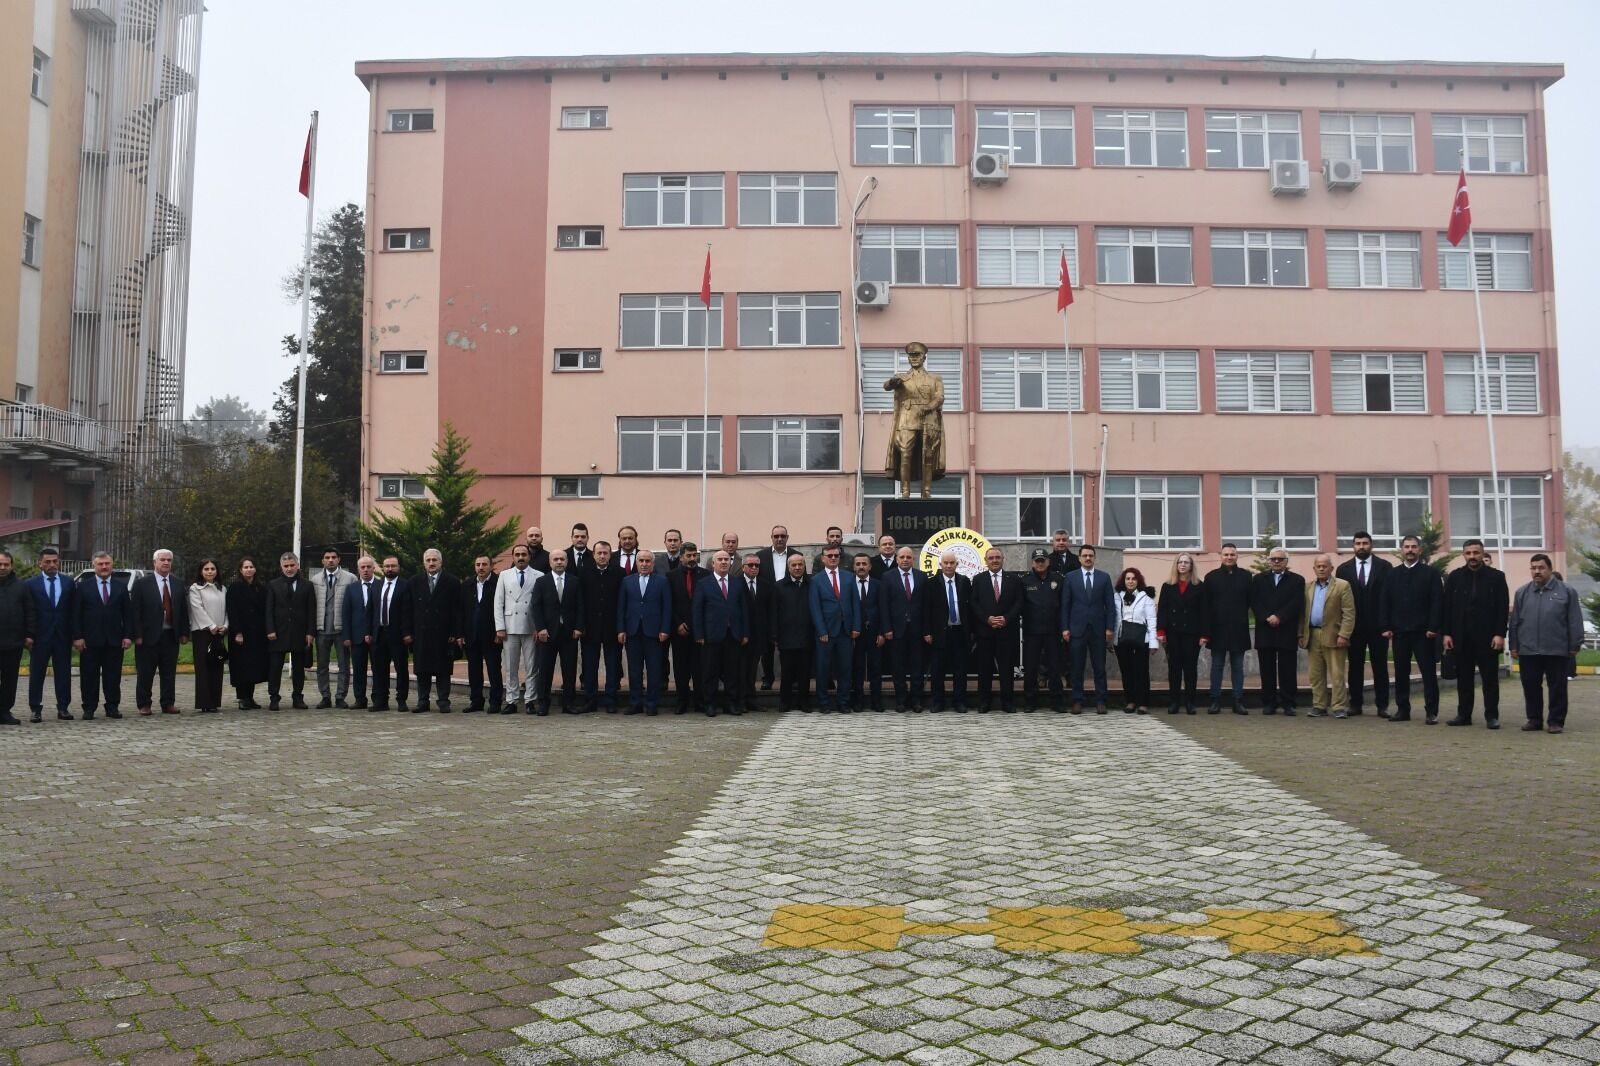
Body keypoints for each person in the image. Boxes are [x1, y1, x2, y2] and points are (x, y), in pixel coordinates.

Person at [1509, 554, 1583, 735]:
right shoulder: (1522, 593)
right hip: (1528, 649)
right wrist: (1514, 645)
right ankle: (1534, 719)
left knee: (1557, 688)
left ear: (1549, 569)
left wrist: (1574, 644)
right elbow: (1515, 621)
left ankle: (1555, 721)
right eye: (1533, 568)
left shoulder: (1567, 591)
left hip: (1556, 648)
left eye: (1541, 568)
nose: (1537, 571)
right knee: (1530, 686)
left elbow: (1574, 619)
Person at [1442, 539, 1509, 729]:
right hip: (1461, 637)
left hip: (1488, 638)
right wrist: (1446, 634)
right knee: (1464, 679)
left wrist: (1500, 634)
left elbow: (1502, 608)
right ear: (1464, 555)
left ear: (1482, 554)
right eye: (1468, 553)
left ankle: (1492, 716)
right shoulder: (1455, 577)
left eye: (1476, 553)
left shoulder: (1496, 577)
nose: (1472, 556)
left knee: (1490, 679)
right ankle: (1464, 715)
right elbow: (1447, 608)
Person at [1380, 535, 1443, 724]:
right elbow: (1385, 601)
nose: (1410, 550)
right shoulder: (1392, 574)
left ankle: (1431, 712)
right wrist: (1385, 626)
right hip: (1399, 632)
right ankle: (1402, 710)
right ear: (1402, 550)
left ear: (1420, 550)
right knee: (1401, 673)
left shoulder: (1431, 574)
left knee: (1428, 673)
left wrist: (1433, 626)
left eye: (1414, 547)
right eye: (1407, 547)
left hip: (1424, 633)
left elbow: (1437, 601)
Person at [1336, 532, 1392, 717]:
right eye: (1358, 543)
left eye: (1365, 543)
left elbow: (1388, 597)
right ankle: (1355, 704)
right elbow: (1339, 600)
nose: (1361, 546)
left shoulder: (1385, 567)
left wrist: (1387, 625)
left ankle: (1382, 705)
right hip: (1354, 626)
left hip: (1378, 626)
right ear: (1353, 546)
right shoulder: (1343, 570)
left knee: (1380, 666)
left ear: (1371, 545)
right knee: (1355, 666)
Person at [71, 551, 132, 720]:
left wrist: (128, 636)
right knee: (89, 676)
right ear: (94, 566)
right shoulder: (83, 587)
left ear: (112, 565)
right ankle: (89, 707)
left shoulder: (121, 587)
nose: (104, 567)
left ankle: (112, 707)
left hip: (114, 640)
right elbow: (76, 614)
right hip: (89, 640)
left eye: (107, 564)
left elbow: (128, 614)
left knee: (113, 676)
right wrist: (77, 636)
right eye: (100, 564)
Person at [131, 548, 190, 715]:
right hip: (148, 637)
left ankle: (168, 703)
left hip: (171, 635)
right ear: (154, 562)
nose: (166, 563)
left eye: (169, 560)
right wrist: (137, 635)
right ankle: (144, 704)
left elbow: (183, 610)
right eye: (162, 560)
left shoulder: (177, 583)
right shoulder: (142, 584)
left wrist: (184, 632)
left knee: (169, 673)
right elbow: (135, 612)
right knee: (145, 673)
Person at [693, 549, 750, 717]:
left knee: (732, 672)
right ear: (713, 563)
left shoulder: (738, 583)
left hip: (733, 635)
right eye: (720, 559)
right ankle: (710, 704)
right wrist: (699, 634)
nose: (724, 562)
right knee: (710, 672)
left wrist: (745, 633)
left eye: (727, 559)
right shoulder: (703, 583)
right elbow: (697, 610)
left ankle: (730, 704)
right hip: (711, 636)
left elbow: (744, 609)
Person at [1299, 554, 1356, 718]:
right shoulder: (1308, 587)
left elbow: (1349, 613)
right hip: (1313, 634)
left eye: (1325, 566)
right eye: (1318, 566)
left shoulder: (1342, 586)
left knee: (1337, 674)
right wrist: (1300, 634)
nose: (1322, 569)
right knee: (1315, 674)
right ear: (1314, 569)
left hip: (1334, 635)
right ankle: (1319, 705)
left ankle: (1339, 706)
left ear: (1331, 568)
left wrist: (1344, 634)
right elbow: (1302, 613)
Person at [1060, 545, 1115, 713]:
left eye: (1091, 555)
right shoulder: (1070, 577)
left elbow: (1110, 605)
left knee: (1099, 667)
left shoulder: (1104, 578)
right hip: (1077, 629)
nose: (1088, 558)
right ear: (1079, 558)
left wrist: (1110, 627)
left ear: (1095, 557)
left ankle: (1101, 700)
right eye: (1085, 555)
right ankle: (1077, 700)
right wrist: (1065, 628)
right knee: (1077, 667)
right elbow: (1065, 605)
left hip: (1098, 630)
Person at [406, 548, 462, 712]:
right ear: (424, 563)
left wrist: (455, 633)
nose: (431, 563)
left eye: (434, 560)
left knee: (443, 670)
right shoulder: (414, 582)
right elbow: (408, 609)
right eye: (428, 560)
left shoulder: (452, 582)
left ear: (441, 562)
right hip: (421, 633)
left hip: (444, 634)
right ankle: (423, 701)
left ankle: (443, 701)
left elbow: (457, 610)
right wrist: (408, 632)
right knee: (422, 670)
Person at [616, 548, 671, 715]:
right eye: (641, 561)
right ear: (637, 563)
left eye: (648, 561)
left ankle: (652, 704)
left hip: (654, 633)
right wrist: (621, 629)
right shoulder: (627, 581)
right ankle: (635, 703)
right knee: (634, 670)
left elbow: (667, 607)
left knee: (654, 669)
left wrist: (665, 629)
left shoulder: (662, 581)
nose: (644, 564)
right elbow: (621, 607)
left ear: (653, 564)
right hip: (632, 631)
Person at [1251, 548, 1305, 716]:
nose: (1276, 561)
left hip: (1286, 629)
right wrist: (1267, 617)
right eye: (1273, 559)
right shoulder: (1258, 579)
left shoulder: (1297, 580)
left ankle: (1289, 703)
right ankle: (1269, 703)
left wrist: (1280, 617)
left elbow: (1296, 602)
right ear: (1269, 560)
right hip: (1265, 629)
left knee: (1288, 669)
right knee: (1266, 669)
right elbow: (1254, 601)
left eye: (1280, 559)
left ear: (1286, 561)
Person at [24, 546, 74, 722]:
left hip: (62, 636)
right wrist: (28, 634)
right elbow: (28, 611)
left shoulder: (69, 582)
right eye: (47, 562)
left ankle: (63, 708)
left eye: (55, 561)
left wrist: (75, 634)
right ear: (40, 563)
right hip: (40, 637)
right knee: (37, 674)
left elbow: (73, 610)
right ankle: (35, 709)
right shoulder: (30, 584)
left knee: (63, 673)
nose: (52, 565)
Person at [1202, 543, 1253, 715]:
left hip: (1239, 628)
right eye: (1226, 554)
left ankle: (1238, 701)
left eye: (1232, 554)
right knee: (1217, 666)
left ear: (1237, 556)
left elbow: (1249, 601)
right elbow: (1206, 605)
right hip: (1217, 629)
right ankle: (1215, 700)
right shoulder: (1211, 577)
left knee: (1238, 667)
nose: (1229, 557)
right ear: (1221, 556)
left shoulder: (1246, 576)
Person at [809, 544, 860, 712]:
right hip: (826, 632)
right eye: (829, 556)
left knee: (845, 668)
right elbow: (815, 607)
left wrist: (856, 626)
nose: (833, 558)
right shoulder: (816, 580)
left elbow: (855, 603)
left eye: (836, 556)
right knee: (823, 668)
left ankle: (843, 702)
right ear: (823, 558)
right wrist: (821, 630)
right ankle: (823, 702)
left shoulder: (849, 577)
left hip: (846, 631)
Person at [493, 543, 542, 714]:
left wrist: (539, 627)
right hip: (510, 626)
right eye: (517, 555)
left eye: (524, 554)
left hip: (531, 627)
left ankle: (530, 700)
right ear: (513, 557)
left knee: (532, 666)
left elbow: (540, 604)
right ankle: (511, 700)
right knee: (510, 667)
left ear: (529, 556)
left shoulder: (539, 575)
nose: (521, 557)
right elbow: (498, 603)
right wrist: (500, 627)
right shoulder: (504, 575)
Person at [972, 546, 1021, 713]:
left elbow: (1019, 602)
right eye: (991, 558)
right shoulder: (978, 579)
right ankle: (984, 702)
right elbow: (974, 603)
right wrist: (987, 619)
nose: (994, 560)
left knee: (1006, 669)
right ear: (986, 561)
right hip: (985, 632)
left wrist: (1006, 618)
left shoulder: (1013, 579)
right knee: (984, 669)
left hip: (1007, 632)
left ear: (1003, 560)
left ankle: (1007, 702)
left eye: (997, 557)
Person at [924, 550, 974, 712]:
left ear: (957, 564)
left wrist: (971, 631)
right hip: (939, 632)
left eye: (952, 563)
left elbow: (970, 608)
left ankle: (959, 701)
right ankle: (938, 702)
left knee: (960, 670)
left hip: (960, 632)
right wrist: (927, 632)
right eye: (945, 563)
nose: (948, 565)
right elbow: (926, 609)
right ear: (940, 564)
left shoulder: (964, 581)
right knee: (937, 670)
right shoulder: (931, 583)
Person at [264, 552, 314, 710]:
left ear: (297, 565)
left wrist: (310, 632)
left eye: (292, 565)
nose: (289, 568)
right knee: (275, 667)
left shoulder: (307, 585)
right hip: (278, 632)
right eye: (286, 566)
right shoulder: (273, 585)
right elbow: (269, 609)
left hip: (299, 632)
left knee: (298, 667)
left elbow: (311, 610)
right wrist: (270, 629)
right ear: (281, 567)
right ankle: (274, 697)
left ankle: (298, 697)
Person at [535, 550, 583, 713]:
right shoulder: (541, 581)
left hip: (569, 633)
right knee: (545, 669)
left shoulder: (575, 581)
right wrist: (540, 628)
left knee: (569, 670)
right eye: (555, 559)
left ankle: (568, 704)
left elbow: (580, 606)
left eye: (562, 559)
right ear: (550, 562)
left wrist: (578, 627)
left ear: (567, 561)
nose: (559, 562)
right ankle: (543, 703)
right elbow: (536, 606)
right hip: (547, 633)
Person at [880, 546, 927, 713]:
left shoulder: (922, 576)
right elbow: (884, 605)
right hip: (896, 630)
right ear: (897, 559)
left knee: (917, 667)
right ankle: (901, 700)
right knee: (897, 667)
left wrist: (926, 630)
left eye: (908, 557)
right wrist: (887, 628)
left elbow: (926, 605)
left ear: (913, 559)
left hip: (917, 630)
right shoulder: (887, 577)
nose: (905, 560)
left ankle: (916, 701)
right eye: (902, 557)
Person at [755, 525, 802, 690]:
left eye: (783, 536)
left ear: (787, 537)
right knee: (767, 644)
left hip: (790, 604)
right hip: (768, 605)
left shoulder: (796, 555)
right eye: (776, 536)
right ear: (771, 538)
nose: (779, 539)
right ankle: (768, 677)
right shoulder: (761, 556)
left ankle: (793, 678)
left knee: (792, 643)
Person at [310, 548, 357, 709]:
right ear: (322, 560)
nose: (330, 560)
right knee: (322, 665)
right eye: (327, 557)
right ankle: (325, 696)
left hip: (341, 629)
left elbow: (355, 605)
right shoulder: (315, 579)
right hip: (322, 628)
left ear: (339, 559)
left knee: (344, 665)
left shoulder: (350, 578)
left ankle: (340, 696)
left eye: (333, 557)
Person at [1157, 553, 1204, 714]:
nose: (1183, 565)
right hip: (1173, 633)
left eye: (1186, 562)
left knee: (1190, 669)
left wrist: (1204, 634)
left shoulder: (1199, 586)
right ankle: (1174, 702)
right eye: (1180, 562)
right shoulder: (1167, 586)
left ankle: (1190, 702)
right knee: (1174, 669)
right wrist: (1161, 631)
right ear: (1176, 565)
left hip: (1192, 633)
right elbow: (1162, 610)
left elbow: (1204, 612)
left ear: (1191, 566)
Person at [579, 541, 623, 713]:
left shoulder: (619, 573)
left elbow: (622, 602)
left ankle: (611, 700)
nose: (602, 556)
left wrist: (621, 627)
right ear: (594, 555)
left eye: (605, 553)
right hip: (590, 628)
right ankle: (590, 700)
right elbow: (580, 602)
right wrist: (581, 625)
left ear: (610, 555)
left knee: (613, 666)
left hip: (612, 628)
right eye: (599, 553)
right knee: (590, 666)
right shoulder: (584, 572)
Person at [1020, 549, 1064, 713]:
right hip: (1032, 632)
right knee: (1031, 668)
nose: (1040, 563)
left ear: (1048, 562)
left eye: (1042, 560)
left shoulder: (1058, 579)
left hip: (1053, 631)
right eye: (1037, 560)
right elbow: (1020, 605)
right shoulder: (1024, 581)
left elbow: (1063, 605)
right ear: (1032, 563)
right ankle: (1030, 701)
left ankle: (1057, 701)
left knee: (1055, 668)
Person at [667, 542, 707, 714]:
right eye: (688, 555)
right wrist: (677, 623)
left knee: (699, 668)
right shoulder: (670, 576)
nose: (692, 559)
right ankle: (682, 701)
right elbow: (669, 603)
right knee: (681, 668)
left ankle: (700, 701)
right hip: (679, 630)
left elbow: (707, 603)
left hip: (700, 631)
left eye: (694, 555)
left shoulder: (705, 575)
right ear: (681, 557)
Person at [1113, 567, 1159, 713]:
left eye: (1133, 578)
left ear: (1138, 580)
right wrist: (1111, 640)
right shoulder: (1117, 597)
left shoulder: (1146, 598)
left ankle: (1143, 702)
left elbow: (1151, 620)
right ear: (1123, 581)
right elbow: (1114, 619)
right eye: (1128, 578)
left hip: (1141, 639)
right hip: (1122, 639)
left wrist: (1153, 643)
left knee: (1141, 671)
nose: (1130, 581)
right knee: (1126, 671)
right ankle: (1130, 701)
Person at [460, 555, 502, 713]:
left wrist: (500, 630)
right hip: (471, 635)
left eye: (484, 564)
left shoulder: (499, 583)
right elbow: (460, 611)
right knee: (474, 670)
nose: (481, 567)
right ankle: (476, 701)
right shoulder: (467, 585)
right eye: (478, 564)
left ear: (491, 566)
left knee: (494, 670)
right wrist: (460, 634)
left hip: (492, 635)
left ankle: (495, 701)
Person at [772, 554, 814, 711]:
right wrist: (775, 635)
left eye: (800, 565)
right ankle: (785, 702)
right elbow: (774, 612)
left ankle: (804, 702)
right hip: (786, 637)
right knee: (787, 672)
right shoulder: (779, 586)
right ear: (788, 567)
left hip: (807, 635)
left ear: (804, 566)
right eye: (794, 565)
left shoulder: (812, 584)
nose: (797, 568)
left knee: (805, 672)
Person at [225, 558, 268, 709]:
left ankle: (250, 697)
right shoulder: (235, 587)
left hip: (257, 633)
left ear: (255, 569)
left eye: (251, 567)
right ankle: (242, 698)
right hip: (240, 633)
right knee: (241, 666)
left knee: (253, 666)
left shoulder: (260, 587)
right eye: (245, 567)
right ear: (240, 570)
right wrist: (237, 632)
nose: (249, 570)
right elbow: (232, 611)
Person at [187, 559, 228, 714]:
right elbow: (197, 609)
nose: (210, 571)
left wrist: (225, 625)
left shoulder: (222, 588)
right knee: (203, 668)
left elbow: (227, 610)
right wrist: (211, 626)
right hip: (202, 632)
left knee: (217, 666)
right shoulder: (195, 588)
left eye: (212, 569)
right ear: (201, 571)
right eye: (206, 569)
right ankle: (204, 702)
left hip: (219, 632)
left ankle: (214, 702)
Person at [370, 556, 412, 711]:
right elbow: (371, 611)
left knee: (401, 668)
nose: (389, 569)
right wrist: (369, 632)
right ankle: (381, 701)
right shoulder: (376, 586)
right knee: (379, 669)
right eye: (387, 566)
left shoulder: (405, 586)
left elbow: (408, 611)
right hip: (379, 633)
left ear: (398, 567)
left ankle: (401, 700)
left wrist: (407, 632)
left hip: (398, 634)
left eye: (393, 566)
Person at [848, 553, 886, 712]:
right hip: (855, 633)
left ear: (870, 566)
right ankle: (858, 701)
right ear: (853, 567)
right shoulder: (848, 584)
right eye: (858, 564)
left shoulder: (879, 585)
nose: (861, 567)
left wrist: (882, 632)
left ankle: (876, 701)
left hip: (875, 633)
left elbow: (883, 609)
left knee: (875, 668)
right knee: (856, 668)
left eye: (864, 564)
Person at [0, 552, 35, 726]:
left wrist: (29, 634)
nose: (2, 567)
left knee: (10, 680)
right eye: (0, 564)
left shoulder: (21, 586)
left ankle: (4, 712)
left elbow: (30, 612)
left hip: (13, 642)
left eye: (6, 564)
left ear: (11, 566)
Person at [340, 555, 379, 710]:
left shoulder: (381, 585)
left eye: (369, 567)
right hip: (357, 636)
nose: (366, 570)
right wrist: (347, 636)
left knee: (378, 669)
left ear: (374, 568)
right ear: (358, 569)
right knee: (358, 669)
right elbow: (346, 613)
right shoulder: (352, 588)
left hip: (377, 636)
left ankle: (378, 698)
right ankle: (360, 699)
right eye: (362, 567)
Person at [738, 553, 774, 713]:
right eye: (750, 565)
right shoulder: (735, 584)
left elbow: (770, 611)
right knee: (740, 670)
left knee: (753, 670)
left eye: (757, 565)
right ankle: (740, 701)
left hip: (759, 635)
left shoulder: (766, 585)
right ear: (743, 567)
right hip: (740, 636)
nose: (754, 568)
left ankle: (751, 699)